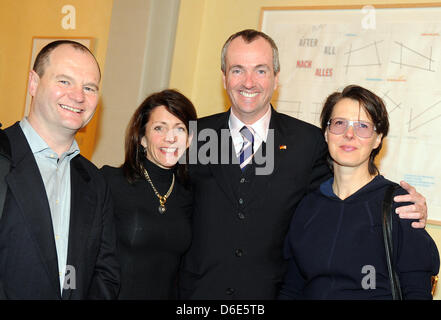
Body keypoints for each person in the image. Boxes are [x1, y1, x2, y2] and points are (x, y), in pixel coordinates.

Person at [179, 29, 429, 300]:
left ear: (276, 78)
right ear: (224, 77)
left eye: (261, 71)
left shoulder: (307, 142)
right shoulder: (193, 137)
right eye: (238, 70)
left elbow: (347, 191)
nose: (249, 82)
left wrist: (406, 206)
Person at [278, 85, 439, 299]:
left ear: (378, 138)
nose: (349, 134)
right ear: (326, 133)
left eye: (363, 126)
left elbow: (417, 292)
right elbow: (291, 289)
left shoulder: (399, 205)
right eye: (339, 123)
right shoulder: (308, 206)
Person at [0, 40, 120, 299]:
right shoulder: (3, 157)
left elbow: (105, 272)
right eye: (64, 81)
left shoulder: (95, 181)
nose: (78, 96)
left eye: (89, 87)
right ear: (33, 83)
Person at [101, 89, 197, 299]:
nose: (170, 138)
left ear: (189, 139)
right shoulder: (111, 182)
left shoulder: (190, 194)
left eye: (179, 129)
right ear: (142, 138)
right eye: (159, 128)